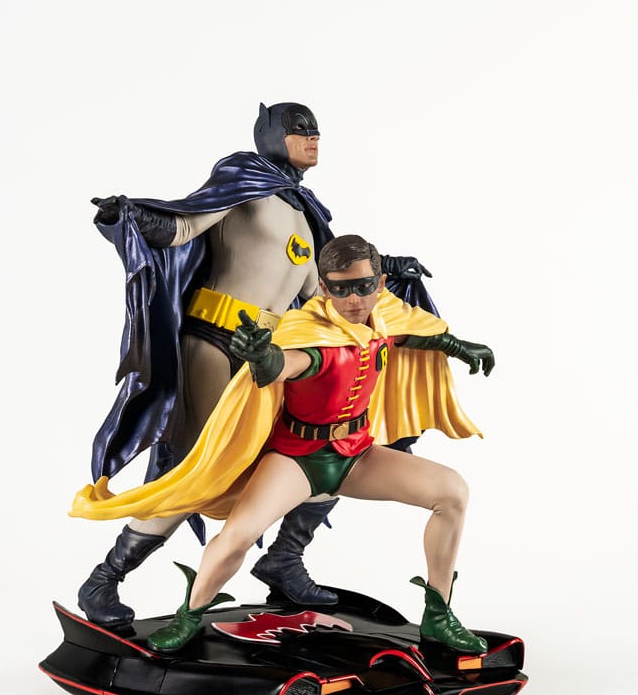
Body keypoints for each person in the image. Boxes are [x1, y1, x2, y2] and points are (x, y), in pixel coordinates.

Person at [78, 103, 438, 628]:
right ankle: (105, 579)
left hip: (272, 360)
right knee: (199, 469)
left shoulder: (307, 213)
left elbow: (323, 296)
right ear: (270, 134)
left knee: (323, 452)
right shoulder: (241, 180)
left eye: (316, 130)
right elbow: (183, 225)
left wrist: (387, 273)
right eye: (299, 129)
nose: (313, 138)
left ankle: (284, 559)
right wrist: (131, 216)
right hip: (215, 344)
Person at [71, 235, 494, 655]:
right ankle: (191, 613)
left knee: (452, 491)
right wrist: (262, 357)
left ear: (380, 284)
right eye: (341, 289)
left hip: (356, 456)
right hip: (298, 460)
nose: (353, 299)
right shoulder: (309, 332)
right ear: (324, 287)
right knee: (237, 537)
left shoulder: (384, 315)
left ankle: (438, 614)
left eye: (364, 286)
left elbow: (410, 333)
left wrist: (456, 346)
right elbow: (285, 363)